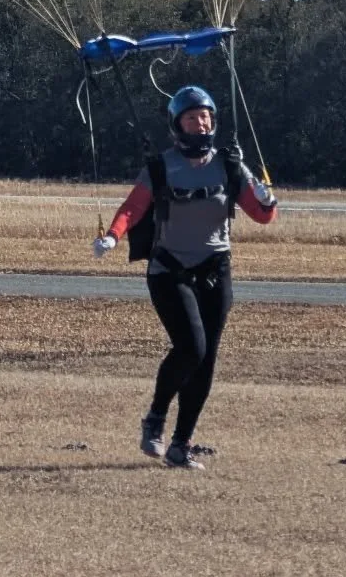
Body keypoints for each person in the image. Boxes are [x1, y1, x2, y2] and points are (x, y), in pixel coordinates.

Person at [92, 84, 277, 470]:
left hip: (216, 269)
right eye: (193, 118)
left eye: (206, 116)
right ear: (179, 125)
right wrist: (112, 235)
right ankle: (156, 418)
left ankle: (181, 444)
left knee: (206, 359)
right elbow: (133, 207)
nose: (201, 123)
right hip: (169, 270)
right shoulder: (161, 166)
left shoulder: (229, 164)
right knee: (191, 347)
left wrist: (266, 197)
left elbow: (262, 217)